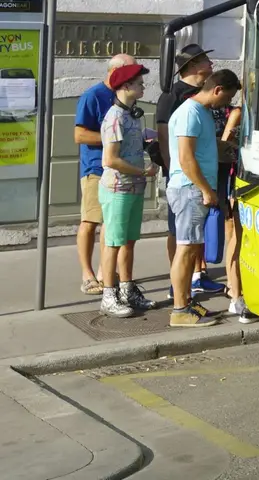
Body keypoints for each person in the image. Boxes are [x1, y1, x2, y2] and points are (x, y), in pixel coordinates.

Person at [166, 69, 240, 328]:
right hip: (189, 189)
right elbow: (186, 158)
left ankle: (187, 302)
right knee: (186, 249)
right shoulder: (190, 113)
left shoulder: (204, 113)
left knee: (193, 247)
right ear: (217, 89)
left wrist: (230, 147)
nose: (226, 105)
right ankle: (179, 310)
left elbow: (207, 146)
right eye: (226, 98)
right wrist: (207, 190)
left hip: (195, 189)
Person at [155, 43, 224, 295]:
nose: (211, 64)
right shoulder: (172, 96)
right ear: (193, 65)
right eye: (206, 60)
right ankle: (179, 286)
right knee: (180, 232)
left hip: (204, 172)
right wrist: (175, 169)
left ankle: (198, 273)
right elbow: (165, 139)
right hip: (184, 177)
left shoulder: (203, 94)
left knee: (198, 232)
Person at [96, 64, 157, 318]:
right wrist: (142, 172)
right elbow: (110, 159)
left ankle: (127, 289)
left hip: (133, 187)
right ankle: (108, 295)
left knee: (129, 242)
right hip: (118, 187)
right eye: (139, 83)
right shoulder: (114, 117)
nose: (143, 86)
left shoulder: (132, 115)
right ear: (125, 86)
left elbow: (132, 144)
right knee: (113, 242)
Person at [73, 52, 136, 294]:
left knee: (112, 226)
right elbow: (79, 135)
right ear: (115, 71)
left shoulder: (127, 95)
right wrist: (113, 139)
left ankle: (104, 273)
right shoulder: (93, 96)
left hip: (120, 170)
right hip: (96, 169)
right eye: (131, 71)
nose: (136, 77)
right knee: (90, 221)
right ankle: (88, 275)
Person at [217, 102, 257, 323]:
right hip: (239, 179)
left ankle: (237, 290)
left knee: (240, 237)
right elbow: (224, 146)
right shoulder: (240, 112)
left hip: (256, 176)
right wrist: (242, 147)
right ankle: (236, 295)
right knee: (236, 237)